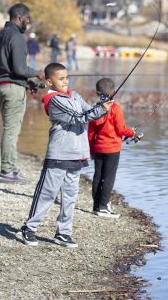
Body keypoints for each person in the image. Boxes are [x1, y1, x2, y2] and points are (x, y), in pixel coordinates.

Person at [20, 63, 113, 247]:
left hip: (77, 153)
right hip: (59, 154)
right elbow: (77, 117)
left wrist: (102, 107)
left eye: (66, 78)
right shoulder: (53, 100)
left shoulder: (74, 94)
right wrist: (99, 110)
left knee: (70, 196)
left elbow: (88, 111)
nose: (65, 81)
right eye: (60, 78)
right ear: (49, 81)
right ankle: (29, 228)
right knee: (47, 193)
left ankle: (63, 233)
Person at [0, 3, 44, 183]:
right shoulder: (18, 37)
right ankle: (8, 171)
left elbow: (7, 68)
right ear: (20, 17)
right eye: (27, 18)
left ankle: (10, 169)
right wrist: (37, 73)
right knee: (11, 130)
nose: (28, 22)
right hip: (12, 89)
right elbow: (19, 68)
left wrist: (28, 83)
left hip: (0, 86)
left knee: (9, 129)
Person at [88, 78, 143, 218]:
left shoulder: (95, 109)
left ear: (97, 92)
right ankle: (103, 207)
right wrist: (132, 132)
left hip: (98, 148)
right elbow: (120, 130)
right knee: (108, 178)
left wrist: (91, 150)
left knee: (97, 177)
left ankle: (96, 206)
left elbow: (90, 133)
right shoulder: (116, 109)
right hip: (112, 150)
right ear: (113, 92)